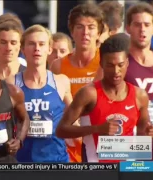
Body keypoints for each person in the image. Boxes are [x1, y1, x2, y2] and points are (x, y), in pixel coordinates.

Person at [56, 33, 153, 162]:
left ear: (127, 63)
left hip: (127, 169)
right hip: (96, 170)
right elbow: (61, 130)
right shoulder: (89, 93)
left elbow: (143, 135)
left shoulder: (140, 95)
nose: (116, 71)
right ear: (102, 64)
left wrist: (149, 133)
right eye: (110, 65)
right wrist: (97, 129)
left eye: (120, 65)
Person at [5, 25, 72, 162]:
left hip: (56, 160)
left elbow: (74, 120)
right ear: (23, 49)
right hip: (22, 161)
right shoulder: (11, 82)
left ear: (49, 49)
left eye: (41, 44)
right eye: (31, 44)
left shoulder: (61, 81)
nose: (37, 49)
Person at [50, 3, 105, 163]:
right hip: (69, 144)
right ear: (72, 31)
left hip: (101, 140)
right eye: (80, 27)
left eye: (91, 27)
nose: (85, 32)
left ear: (99, 32)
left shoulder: (106, 62)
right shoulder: (58, 66)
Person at [123, 3, 153, 162]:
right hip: (128, 142)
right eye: (137, 25)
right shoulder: (118, 62)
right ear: (128, 28)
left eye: (147, 25)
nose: (142, 29)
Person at [0, 13, 27, 79]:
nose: (8, 48)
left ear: (20, 43)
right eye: (3, 42)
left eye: (13, 43)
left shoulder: (30, 76)